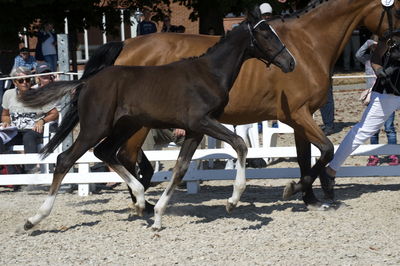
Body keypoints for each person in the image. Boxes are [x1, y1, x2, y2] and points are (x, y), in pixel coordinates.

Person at [321, 32, 400, 199]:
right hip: (388, 90)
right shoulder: (393, 33)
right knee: (363, 131)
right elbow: (376, 58)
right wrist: (379, 70)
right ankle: (330, 171)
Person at [0, 66, 59, 174]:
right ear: (15, 82)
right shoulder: (8, 94)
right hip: (15, 131)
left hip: (34, 129)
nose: (25, 83)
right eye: (21, 80)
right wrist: (6, 121)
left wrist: (42, 121)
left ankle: (30, 171)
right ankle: (14, 173)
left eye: (27, 79)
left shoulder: (39, 94)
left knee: (28, 136)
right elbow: (5, 114)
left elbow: (54, 113)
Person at [356, 36, 398, 166]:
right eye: (375, 45)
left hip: (386, 94)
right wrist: (369, 42)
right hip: (372, 96)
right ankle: (373, 155)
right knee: (372, 130)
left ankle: (393, 154)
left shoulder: (389, 59)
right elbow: (358, 54)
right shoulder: (368, 60)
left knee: (389, 128)